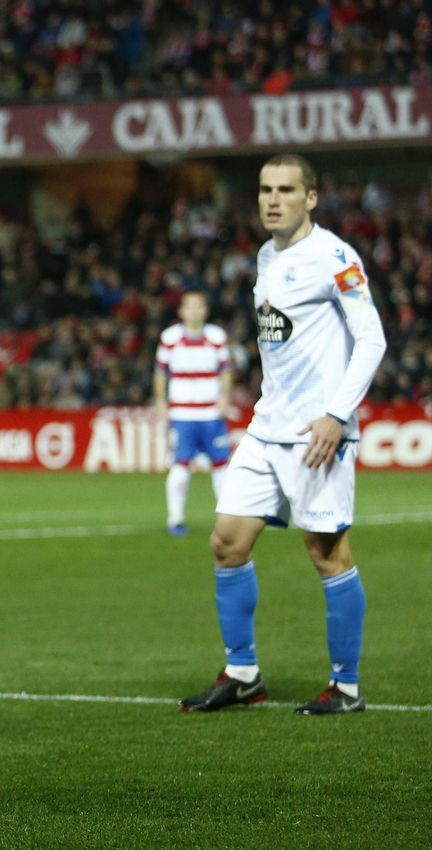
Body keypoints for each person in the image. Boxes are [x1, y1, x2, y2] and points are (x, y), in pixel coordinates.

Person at [179, 154, 385, 716]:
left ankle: (346, 687)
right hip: (267, 427)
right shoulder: (268, 256)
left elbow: (371, 340)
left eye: (287, 190)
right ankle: (243, 674)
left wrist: (337, 415)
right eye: (266, 189)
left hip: (319, 433)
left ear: (310, 198)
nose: (273, 199)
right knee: (227, 540)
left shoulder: (335, 257)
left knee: (327, 553)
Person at [153, 290, 232, 536]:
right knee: (180, 464)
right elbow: (160, 371)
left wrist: (224, 398)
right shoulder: (170, 338)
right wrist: (160, 401)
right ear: (181, 311)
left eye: (199, 306)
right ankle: (175, 518)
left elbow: (226, 369)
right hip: (182, 413)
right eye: (190, 307)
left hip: (211, 412)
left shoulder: (217, 336)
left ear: (205, 310)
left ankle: (227, 517)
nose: (195, 311)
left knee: (221, 465)